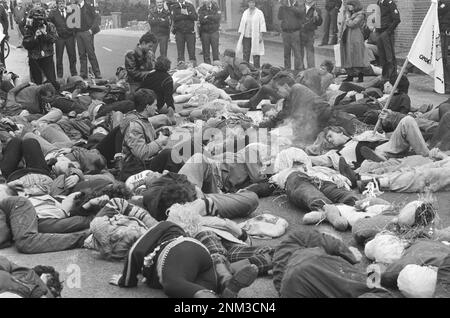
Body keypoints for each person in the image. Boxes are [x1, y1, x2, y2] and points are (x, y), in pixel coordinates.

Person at [109, 221, 259, 298]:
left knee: (174, 283)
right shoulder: (177, 235)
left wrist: (126, 280)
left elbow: (135, 251)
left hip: (178, 249)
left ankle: (206, 296)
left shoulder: (164, 226)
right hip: (199, 255)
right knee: (204, 283)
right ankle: (226, 284)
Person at [119, 89, 182, 181]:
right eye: (155, 105)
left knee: (183, 144)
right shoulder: (134, 126)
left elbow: (145, 139)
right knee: (169, 153)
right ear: (147, 107)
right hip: (136, 168)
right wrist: (159, 141)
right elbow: (141, 153)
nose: (157, 108)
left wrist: (159, 133)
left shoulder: (141, 119)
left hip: (145, 163)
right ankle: (184, 181)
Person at [22, 7, 59, 90]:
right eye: (37, 19)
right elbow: (26, 44)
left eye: (41, 19)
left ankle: (54, 97)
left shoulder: (50, 26)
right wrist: (35, 37)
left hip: (47, 56)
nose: (40, 22)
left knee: (52, 81)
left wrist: (45, 34)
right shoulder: (29, 27)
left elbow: (55, 39)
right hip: (34, 58)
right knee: (37, 83)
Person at [340, 0, 369, 83]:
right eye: (348, 5)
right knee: (348, 56)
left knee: (357, 56)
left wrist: (347, 18)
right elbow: (343, 25)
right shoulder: (349, 13)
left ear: (355, 5)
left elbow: (352, 24)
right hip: (347, 37)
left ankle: (360, 76)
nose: (348, 7)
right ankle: (350, 75)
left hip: (356, 37)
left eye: (350, 5)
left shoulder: (360, 14)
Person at [49, 0, 78, 79]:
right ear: (57, 4)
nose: (61, 5)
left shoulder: (70, 11)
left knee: (72, 56)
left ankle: (74, 73)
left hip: (70, 37)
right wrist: (54, 33)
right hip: (59, 38)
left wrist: (73, 33)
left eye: (63, 3)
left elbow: (75, 22)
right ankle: (59, 75)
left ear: (65, 4)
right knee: (59, 57)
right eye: (60, 3)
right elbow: (49, 23)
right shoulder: (53, 13)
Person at [73, 0, 101, 79]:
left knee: (91, 53)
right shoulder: (74, 8)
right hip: (78, 33)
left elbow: (96, 18)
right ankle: (83, 73)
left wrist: (91, 30)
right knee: (81, 54)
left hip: (87, 32)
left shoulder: (89, 6)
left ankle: (97, 73)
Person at [236, 0, 266, 69]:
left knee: (256, 53)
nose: (251, 4)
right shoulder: (245, 12)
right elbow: (242, 23)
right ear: (248, 3)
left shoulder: (259, 13)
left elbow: (262, 24)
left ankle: (256, 70)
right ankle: (245, 69)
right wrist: (241, 34)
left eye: (253, 2)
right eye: (250, 2)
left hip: (255, 36)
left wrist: (261, 35)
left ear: (255, 3)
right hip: (246, 36)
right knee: (246, 53)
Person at [376, 0, 400, 81]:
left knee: (389, 56)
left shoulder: (390, 3)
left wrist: (388, 31)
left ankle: (392, 76)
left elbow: (397, 19)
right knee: (382, 56)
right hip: (379, 32)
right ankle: (385, 75)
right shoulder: (379, 3)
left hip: (387, 32)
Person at [278, 0, 303, 73]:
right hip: (285, 33)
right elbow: (279, 17)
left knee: (297, 52)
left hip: (295, 32)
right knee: (286, 52)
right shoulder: (282, 8)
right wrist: (283, 6)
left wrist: (290, 7)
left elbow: (300, 14)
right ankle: (287, 70)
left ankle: (297, 70)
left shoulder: (297, 5)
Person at [170, 0, 198, 65]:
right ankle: (181, 68)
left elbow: (195, 17)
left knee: (192, 52)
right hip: (179, 32)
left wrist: (187, 14)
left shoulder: (190, 5)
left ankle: (193, 68)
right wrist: (186, 15)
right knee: (180, 53)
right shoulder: (174, 7)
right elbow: (174, 17)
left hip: (190, 32)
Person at [299, 0, 322, 69]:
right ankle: (300, 68)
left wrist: (317, 17)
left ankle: (311, 69)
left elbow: (319, 23)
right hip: (300, 32)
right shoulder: (299, 7)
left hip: (310, 33)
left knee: (310, 52)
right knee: (300, 52)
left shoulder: (317, 9)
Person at [198, 0, 221, 65]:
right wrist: (212, 19)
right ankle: (207, 65)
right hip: (205, 32)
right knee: (206, 51)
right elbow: (201, 20)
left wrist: (208, 17)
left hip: (214, 31)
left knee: (215, 50)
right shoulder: (201, 9)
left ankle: (216, 65)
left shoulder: (216, 8)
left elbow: (218, 18)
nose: (207, 1)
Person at [439, 0, 450, 94]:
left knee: (444, 59)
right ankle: (443, 84)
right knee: (442, 59)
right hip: (440, 33)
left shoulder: (445, 3)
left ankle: (447, 84)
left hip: (444, 34)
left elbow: (438, 11)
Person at [0, 1, 8, 66]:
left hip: (0, 33)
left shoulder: (1, 7)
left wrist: (5, 32)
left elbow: (5, 21)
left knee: (1, 52)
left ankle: (3, 68)